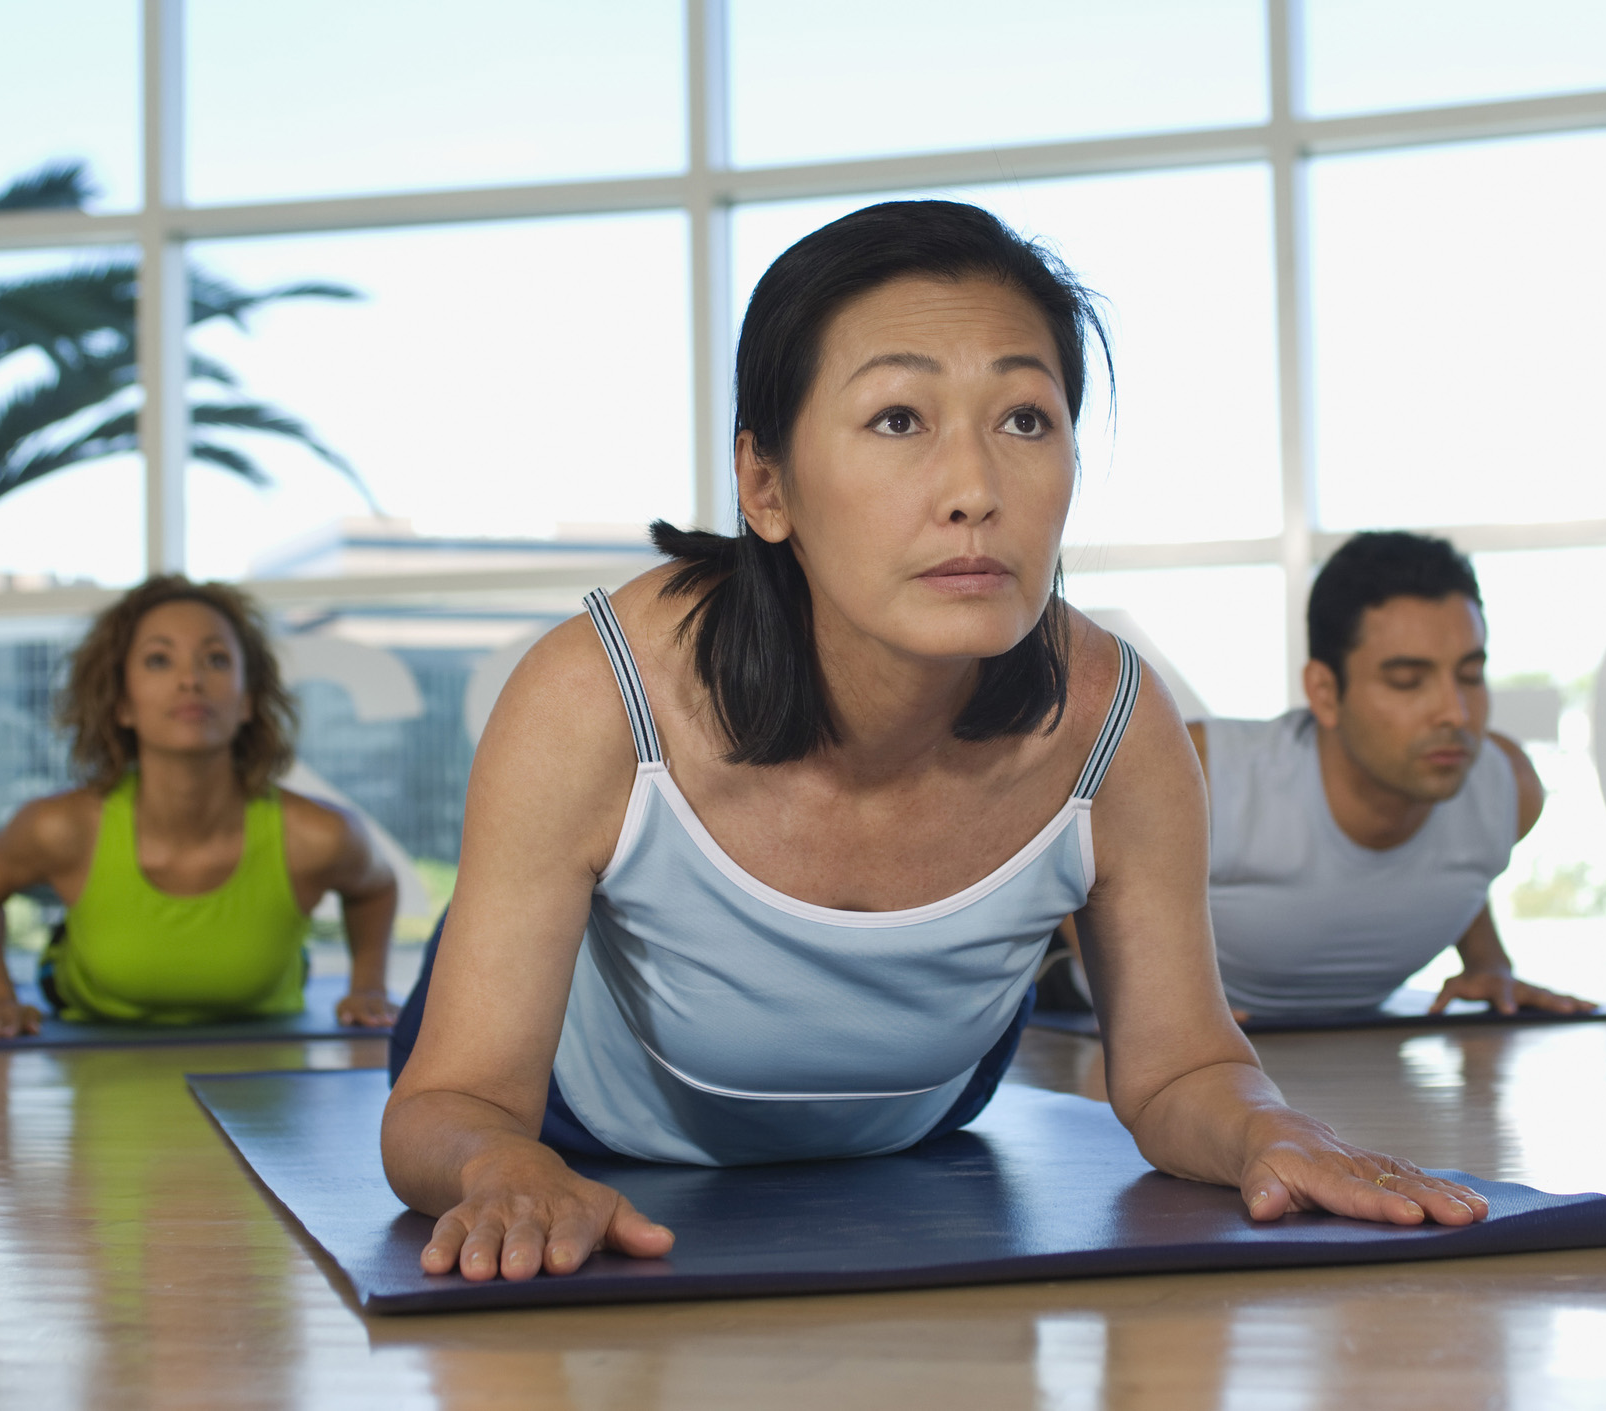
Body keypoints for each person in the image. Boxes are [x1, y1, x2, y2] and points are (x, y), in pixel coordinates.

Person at [381, 200, 1489, 1286]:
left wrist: (1266, 1130)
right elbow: (450, 1102)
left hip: (913, 1106)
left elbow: (1183, 1067)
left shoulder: (1114, 721)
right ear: (765, 485)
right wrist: (501, 1161)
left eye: (1024, 420)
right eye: (898, 420)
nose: (975, 492)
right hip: (586, 1101)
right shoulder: (598, 693)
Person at [0, 576, 401, 1037]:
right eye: (159, 660)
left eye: (216, 659)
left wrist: (368, 987)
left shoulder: (320, 835)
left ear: (246, 700)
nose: (191, 680)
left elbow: (375, 887)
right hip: (87, 1023)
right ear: (122, 703)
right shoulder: (60, 827)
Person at [1192, 532, 1593, 1020]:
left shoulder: (1507, 787)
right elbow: (1088, 875)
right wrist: (1151, 1017)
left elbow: (1453, 863)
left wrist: (1490, 963)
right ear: (1324, 692)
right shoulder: (1201, 775)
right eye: (1408, 681)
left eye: (1469, 676)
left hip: (1358, 1060)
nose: (1455, 712)